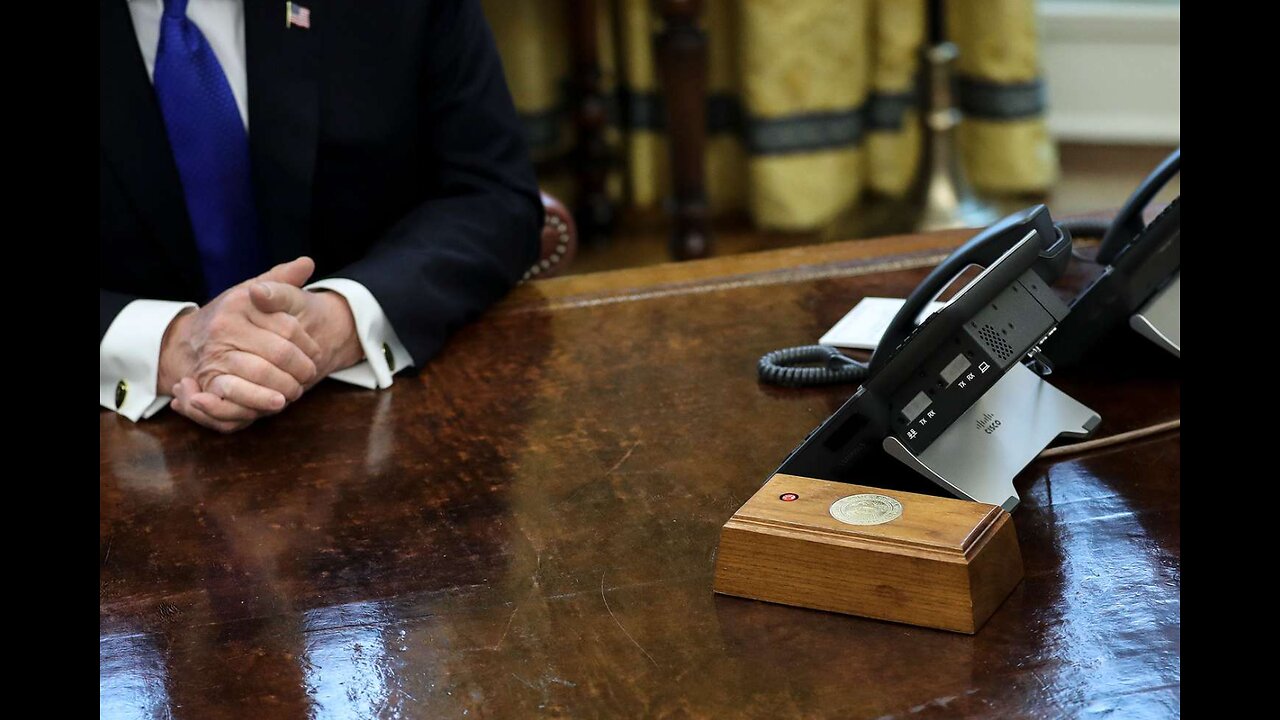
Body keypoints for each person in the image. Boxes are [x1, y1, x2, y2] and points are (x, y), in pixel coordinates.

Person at [100, 0, 541, 432]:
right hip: (127, 431)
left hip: (381, 408)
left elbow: (492, 196)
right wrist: (167, 344)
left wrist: (339, 323)